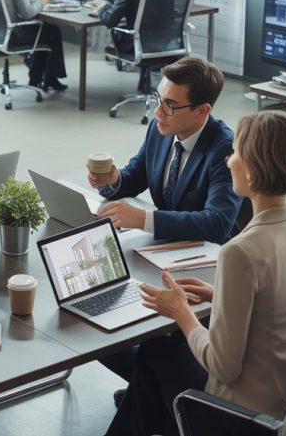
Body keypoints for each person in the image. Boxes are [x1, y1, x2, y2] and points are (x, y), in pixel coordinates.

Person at [105, 110, 286, 436]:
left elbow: (223, 365)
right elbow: (279, 307)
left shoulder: (240, 251)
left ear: (251, 171)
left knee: (158, 350)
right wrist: (220, 296)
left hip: (241, 411)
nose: (228, 161)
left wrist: (181, 312)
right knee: (156, 371)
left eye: (236, 154)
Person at [89, 56, 246, 383]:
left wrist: (143, 218)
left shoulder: (224, 148)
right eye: (159, 99)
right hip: (165, 255)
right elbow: (135, 176)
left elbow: (218, 224)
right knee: (99, 326)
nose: (159, 111)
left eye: (171, 105)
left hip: (210, 267)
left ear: (203, 110)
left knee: (138, 345)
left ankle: (154, 393)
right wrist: (113, 180)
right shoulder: (160, 128)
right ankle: (152, 393)